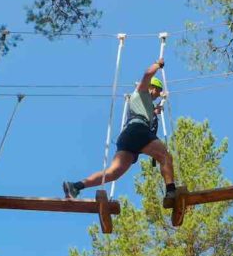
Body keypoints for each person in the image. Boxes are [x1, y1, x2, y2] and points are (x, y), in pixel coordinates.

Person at [63, 56, 177, 200]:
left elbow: (148, 111)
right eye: (157, 91)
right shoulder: (141, 90)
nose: (157, 95)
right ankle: (171, 191)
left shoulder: (146, 103)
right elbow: (148, 74)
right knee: (165, 157)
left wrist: (157, 108)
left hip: (127, 136)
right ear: (151, 88)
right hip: (138, 130)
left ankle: (75, 186)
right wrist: (157, 65)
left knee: (113, 173)